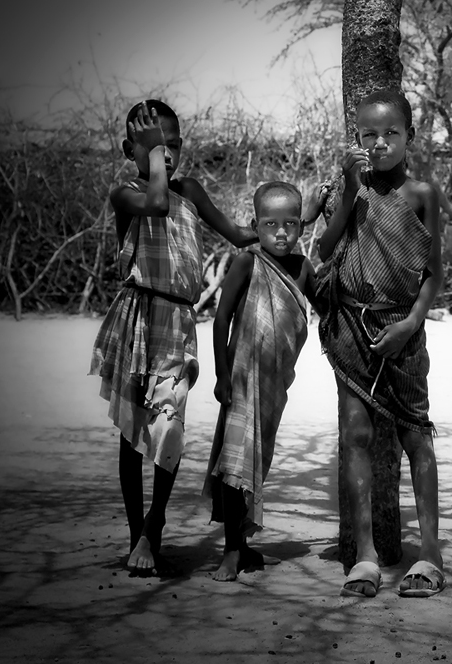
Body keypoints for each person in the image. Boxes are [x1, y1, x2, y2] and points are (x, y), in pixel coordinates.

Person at [89, 100, 258, 575]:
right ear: (130, 150)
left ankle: (153, 527)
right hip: (137, 317)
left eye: (175, 146)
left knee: (170, 429)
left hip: (178, 325)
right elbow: (156, 203)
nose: (168, 157)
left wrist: (292, 222)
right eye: (155, 148)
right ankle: (135, 536)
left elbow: (238, 233)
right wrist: (155, 158)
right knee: (131, 433)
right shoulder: (127, 193)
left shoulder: (191, 191)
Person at [316, 90, 446, 598]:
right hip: (352, 329)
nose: (380, 143)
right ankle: (366, 557)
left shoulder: (422, 194)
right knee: (355, 436)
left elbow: (433, 275)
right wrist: (349, 189)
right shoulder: (349, 190)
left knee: (416, 435)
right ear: (357, 139)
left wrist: (411, 323)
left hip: (403, 330)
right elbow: (326, 250)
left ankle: (430, 552)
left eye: (391, 133)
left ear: (410, 136)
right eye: (369, 135)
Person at [202, 181, 317, 582]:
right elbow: (221, 319)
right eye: (270, 224)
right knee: (235, 462)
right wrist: (220, 374)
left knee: (256, 461)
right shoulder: (247, 262)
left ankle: (243, 545)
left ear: (301, 227)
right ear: (255, 224)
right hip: (241, 378)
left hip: (273, 386)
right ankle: (231, 551)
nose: (281, 233)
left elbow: (326, 309)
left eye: (289, 224)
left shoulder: (303, 269)